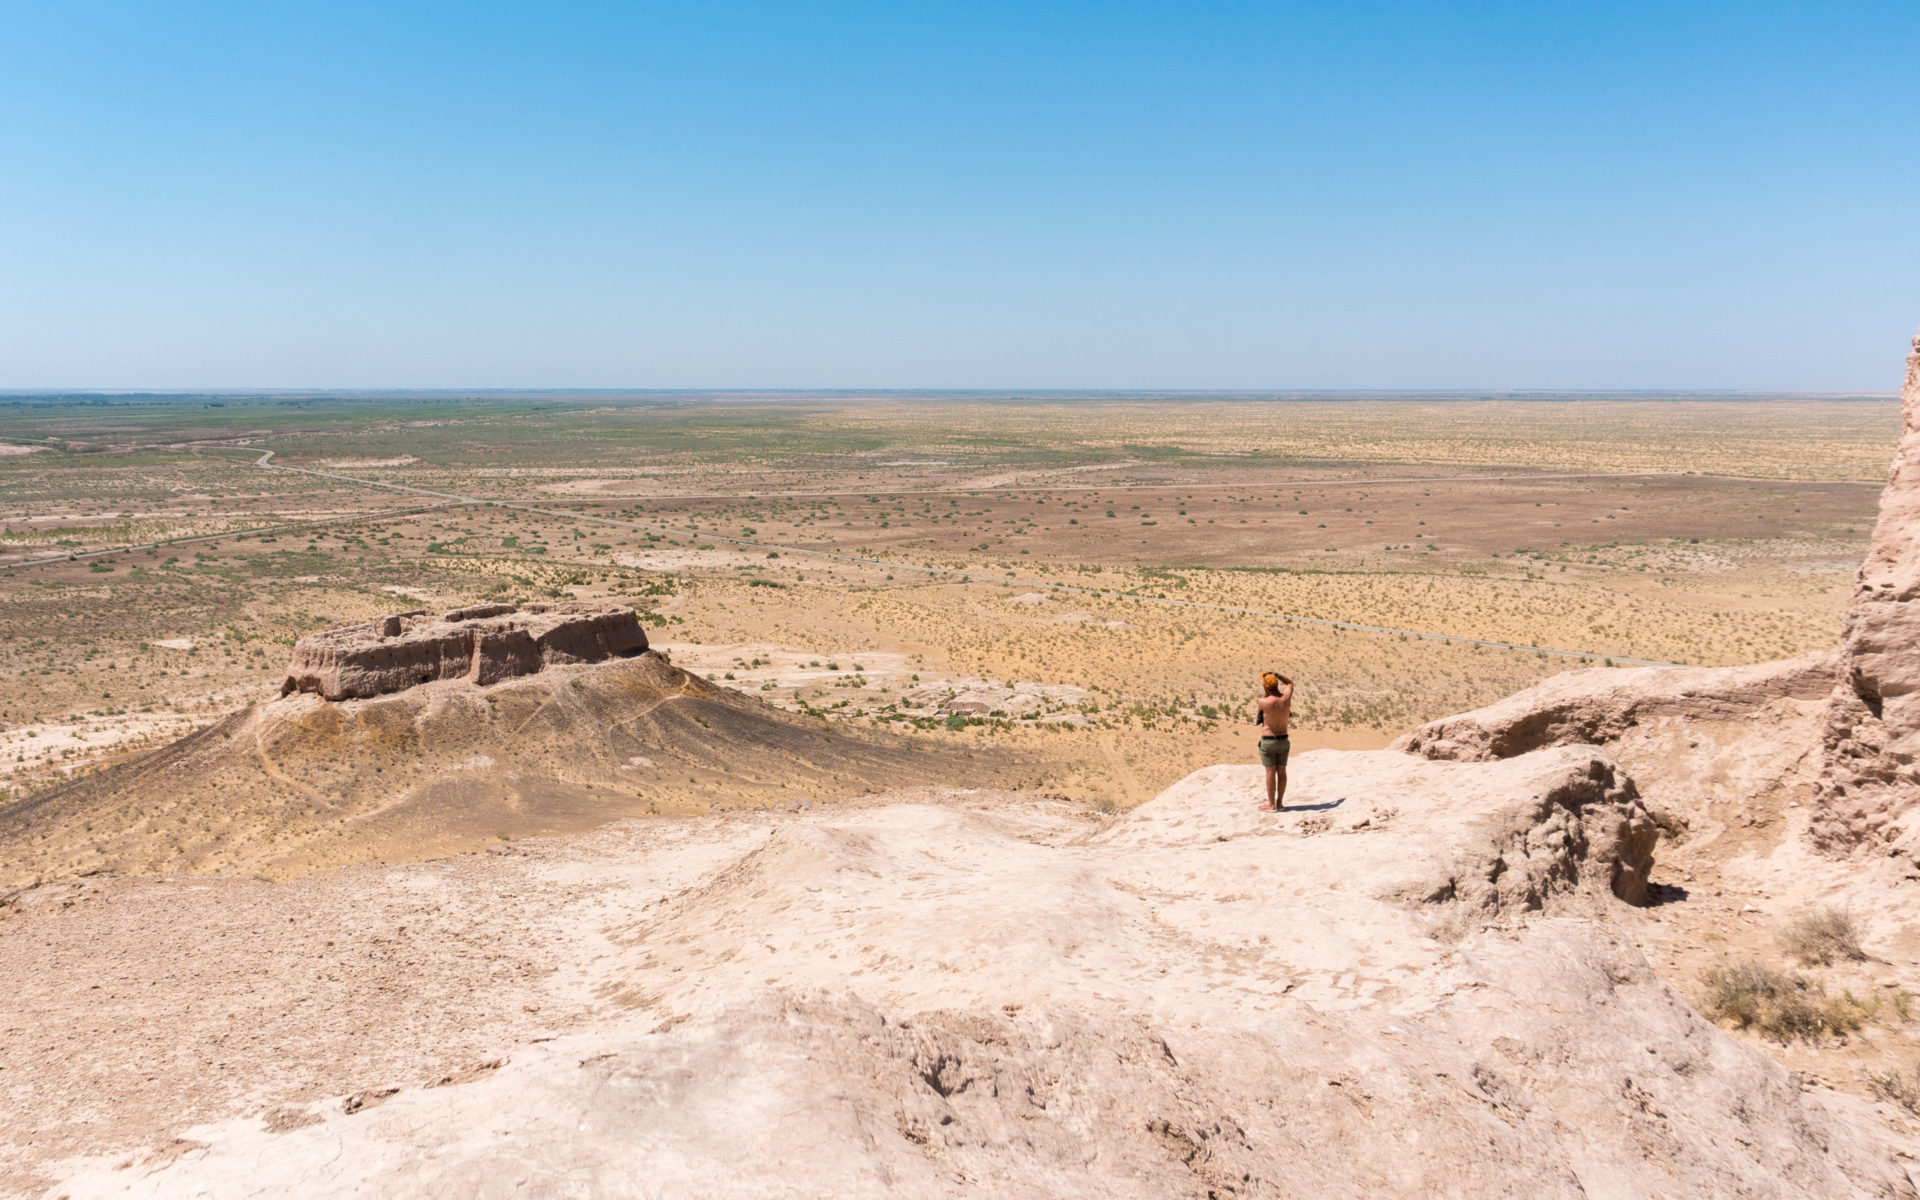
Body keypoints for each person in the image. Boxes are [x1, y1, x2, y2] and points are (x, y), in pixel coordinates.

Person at [1253, 671, 1293, 811]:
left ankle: (1271, 804)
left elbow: (1260, 715)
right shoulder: (1286, 698)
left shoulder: (1263, 702)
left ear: (1266, 687)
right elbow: (1289, 683)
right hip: (1283, 739)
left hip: (1268, 740)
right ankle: (1280, 803)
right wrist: (1278, 675)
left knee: (1270, 772)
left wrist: (1267, 693)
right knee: (1282, 771)